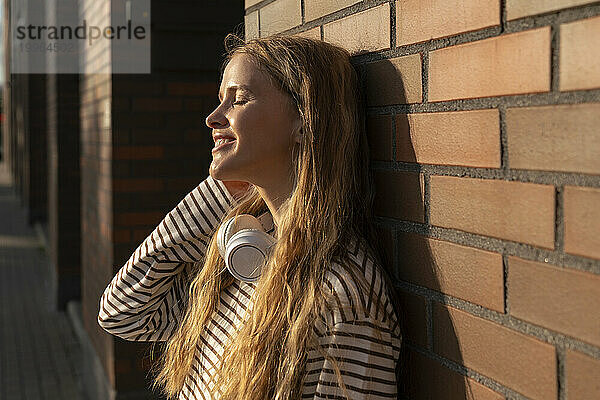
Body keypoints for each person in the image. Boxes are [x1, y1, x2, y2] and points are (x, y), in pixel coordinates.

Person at [98, 34, 402, 400]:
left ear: (305, 118)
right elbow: (123, 311)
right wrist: (224, 190)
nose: (213, 117)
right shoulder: (244, 251)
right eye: (220, 100)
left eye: (238, 99)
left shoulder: (343, 298)